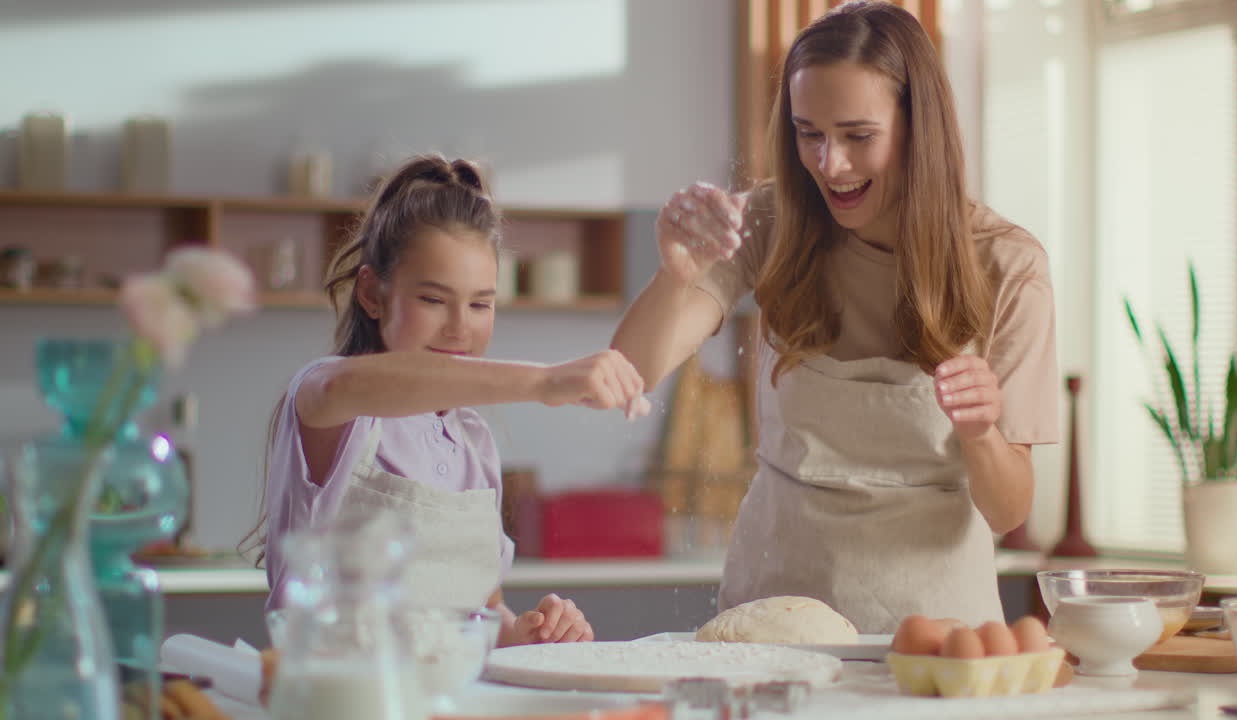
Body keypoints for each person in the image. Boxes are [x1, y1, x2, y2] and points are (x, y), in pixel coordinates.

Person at [611, 1, 1058, 634]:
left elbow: (1008, 509)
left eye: (858, 136)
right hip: (774, 616)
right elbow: (629, 370)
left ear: (918, 127)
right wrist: (675, 274)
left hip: (930, 631)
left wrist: (981, 433)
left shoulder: (1007, 264)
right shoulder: (770, 222)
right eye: (809, 133)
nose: (830, 164)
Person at [257, 154, 649, 645]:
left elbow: (483, 613)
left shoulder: (472, 441)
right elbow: (351, 386)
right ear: (372, 293)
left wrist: (529, 632)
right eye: (433, 300)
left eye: (480, 303)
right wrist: (544, 382)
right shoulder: (331, 396)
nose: (460, 327)